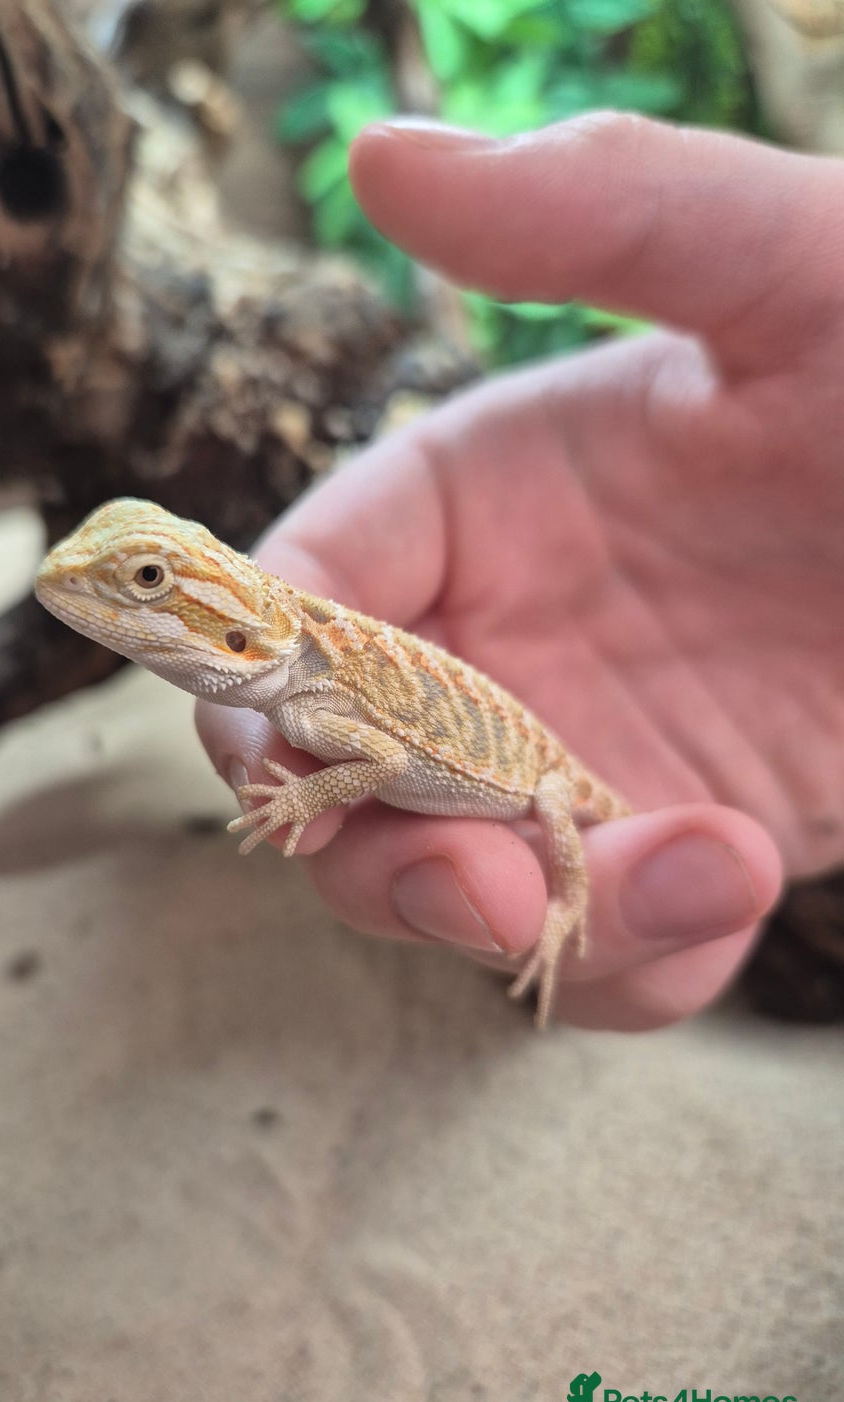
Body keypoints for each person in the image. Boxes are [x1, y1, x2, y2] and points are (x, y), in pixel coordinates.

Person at [197, 112, 844, 1031]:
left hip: (532, 775)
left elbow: (377, 755)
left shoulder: (305, 699)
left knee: (558, 852)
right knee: (494, 889)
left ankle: (570, 912)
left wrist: (302, 792)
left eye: (149, 580)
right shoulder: (294, 683)